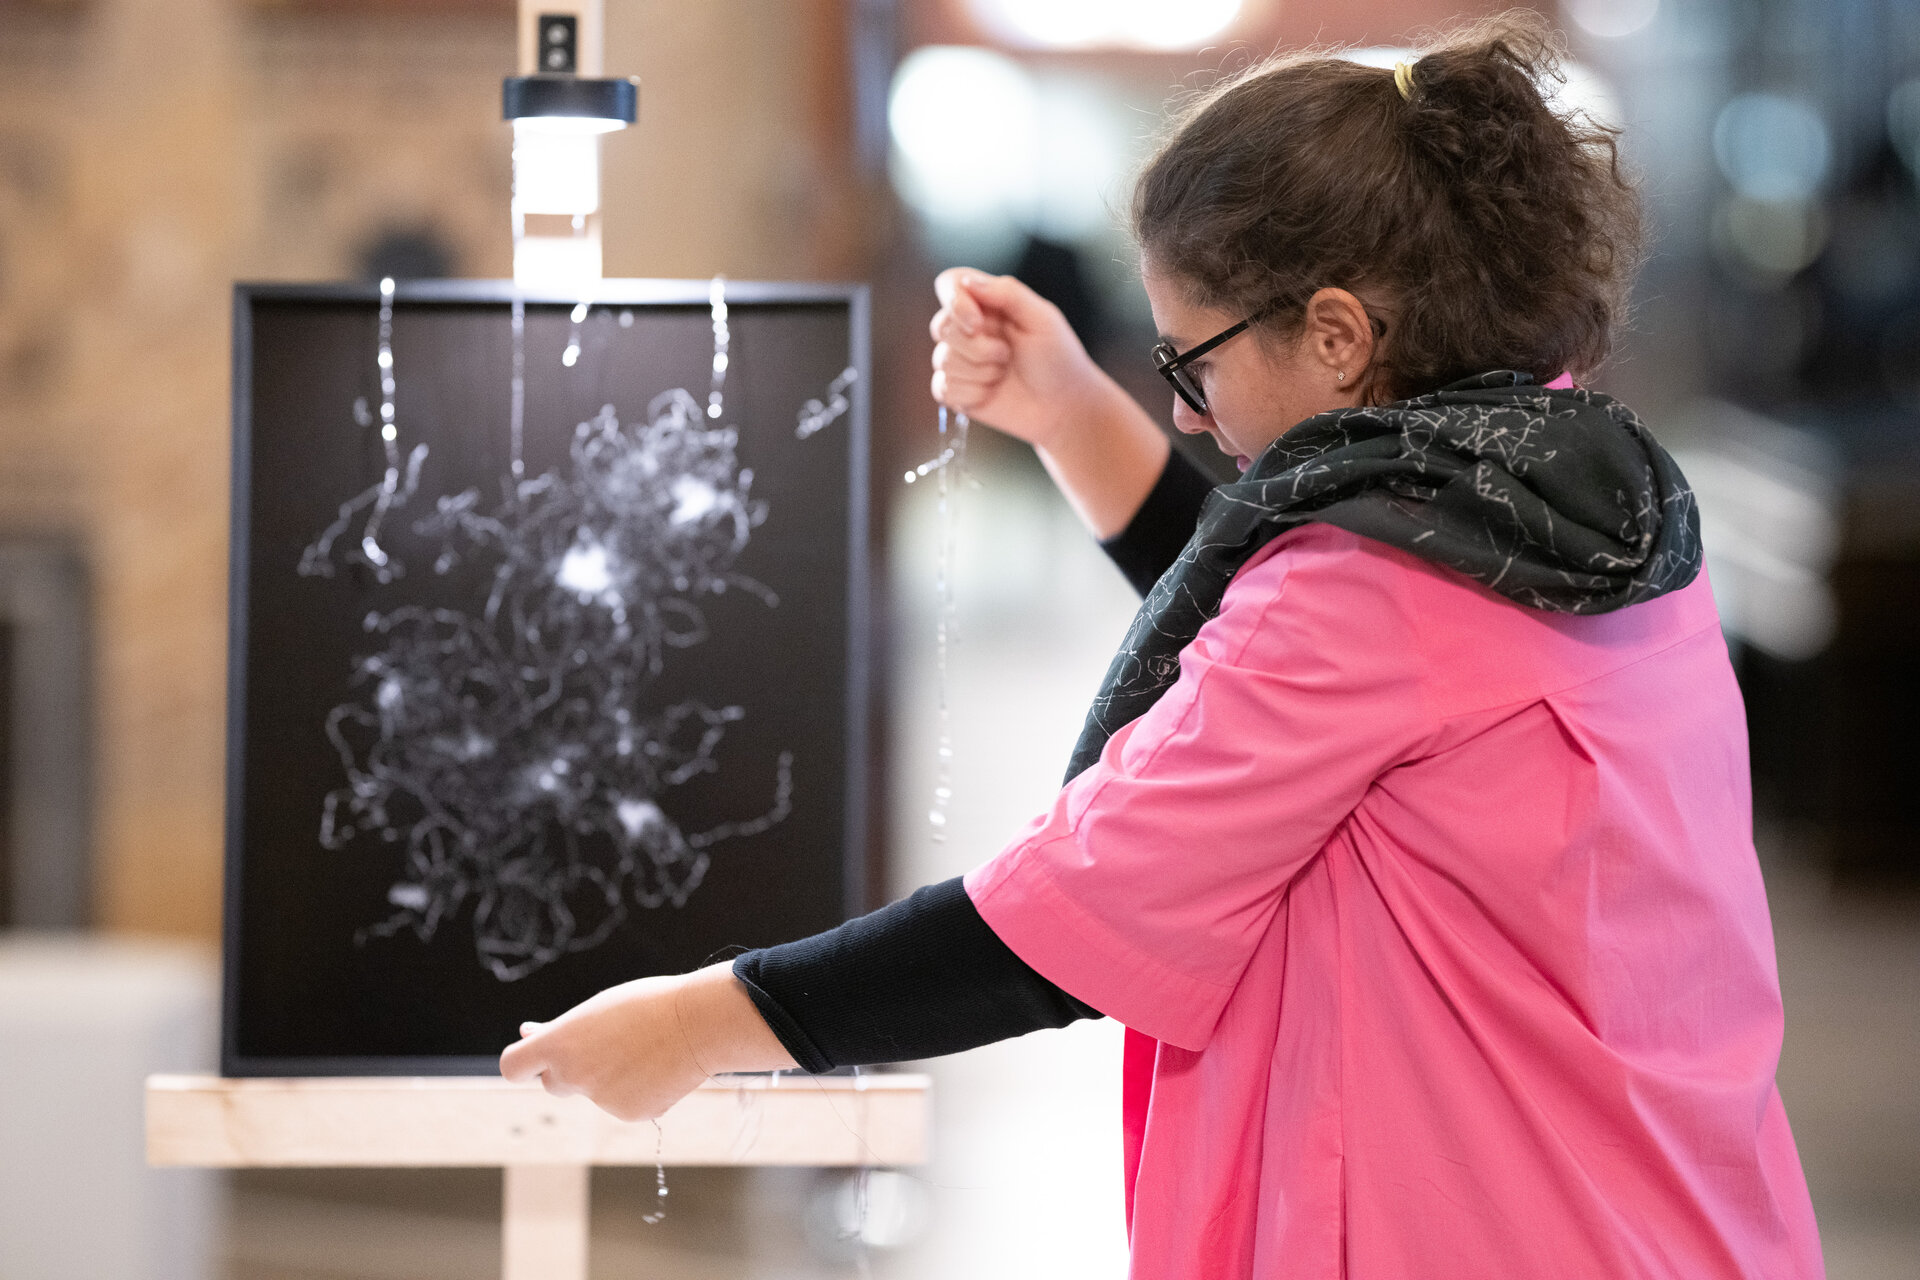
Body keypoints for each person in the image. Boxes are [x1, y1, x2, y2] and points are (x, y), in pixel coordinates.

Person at [501, 14, 1825, 1277]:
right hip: (1659, 1210)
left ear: (1338, 334)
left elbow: (1072, 912)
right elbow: (1298, 651)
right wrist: (1075, 415)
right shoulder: (1569, 495)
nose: (1187, 414)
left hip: (1469, 1224)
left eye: (1193, 362)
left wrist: (702, 1023)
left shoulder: (1372, 590)